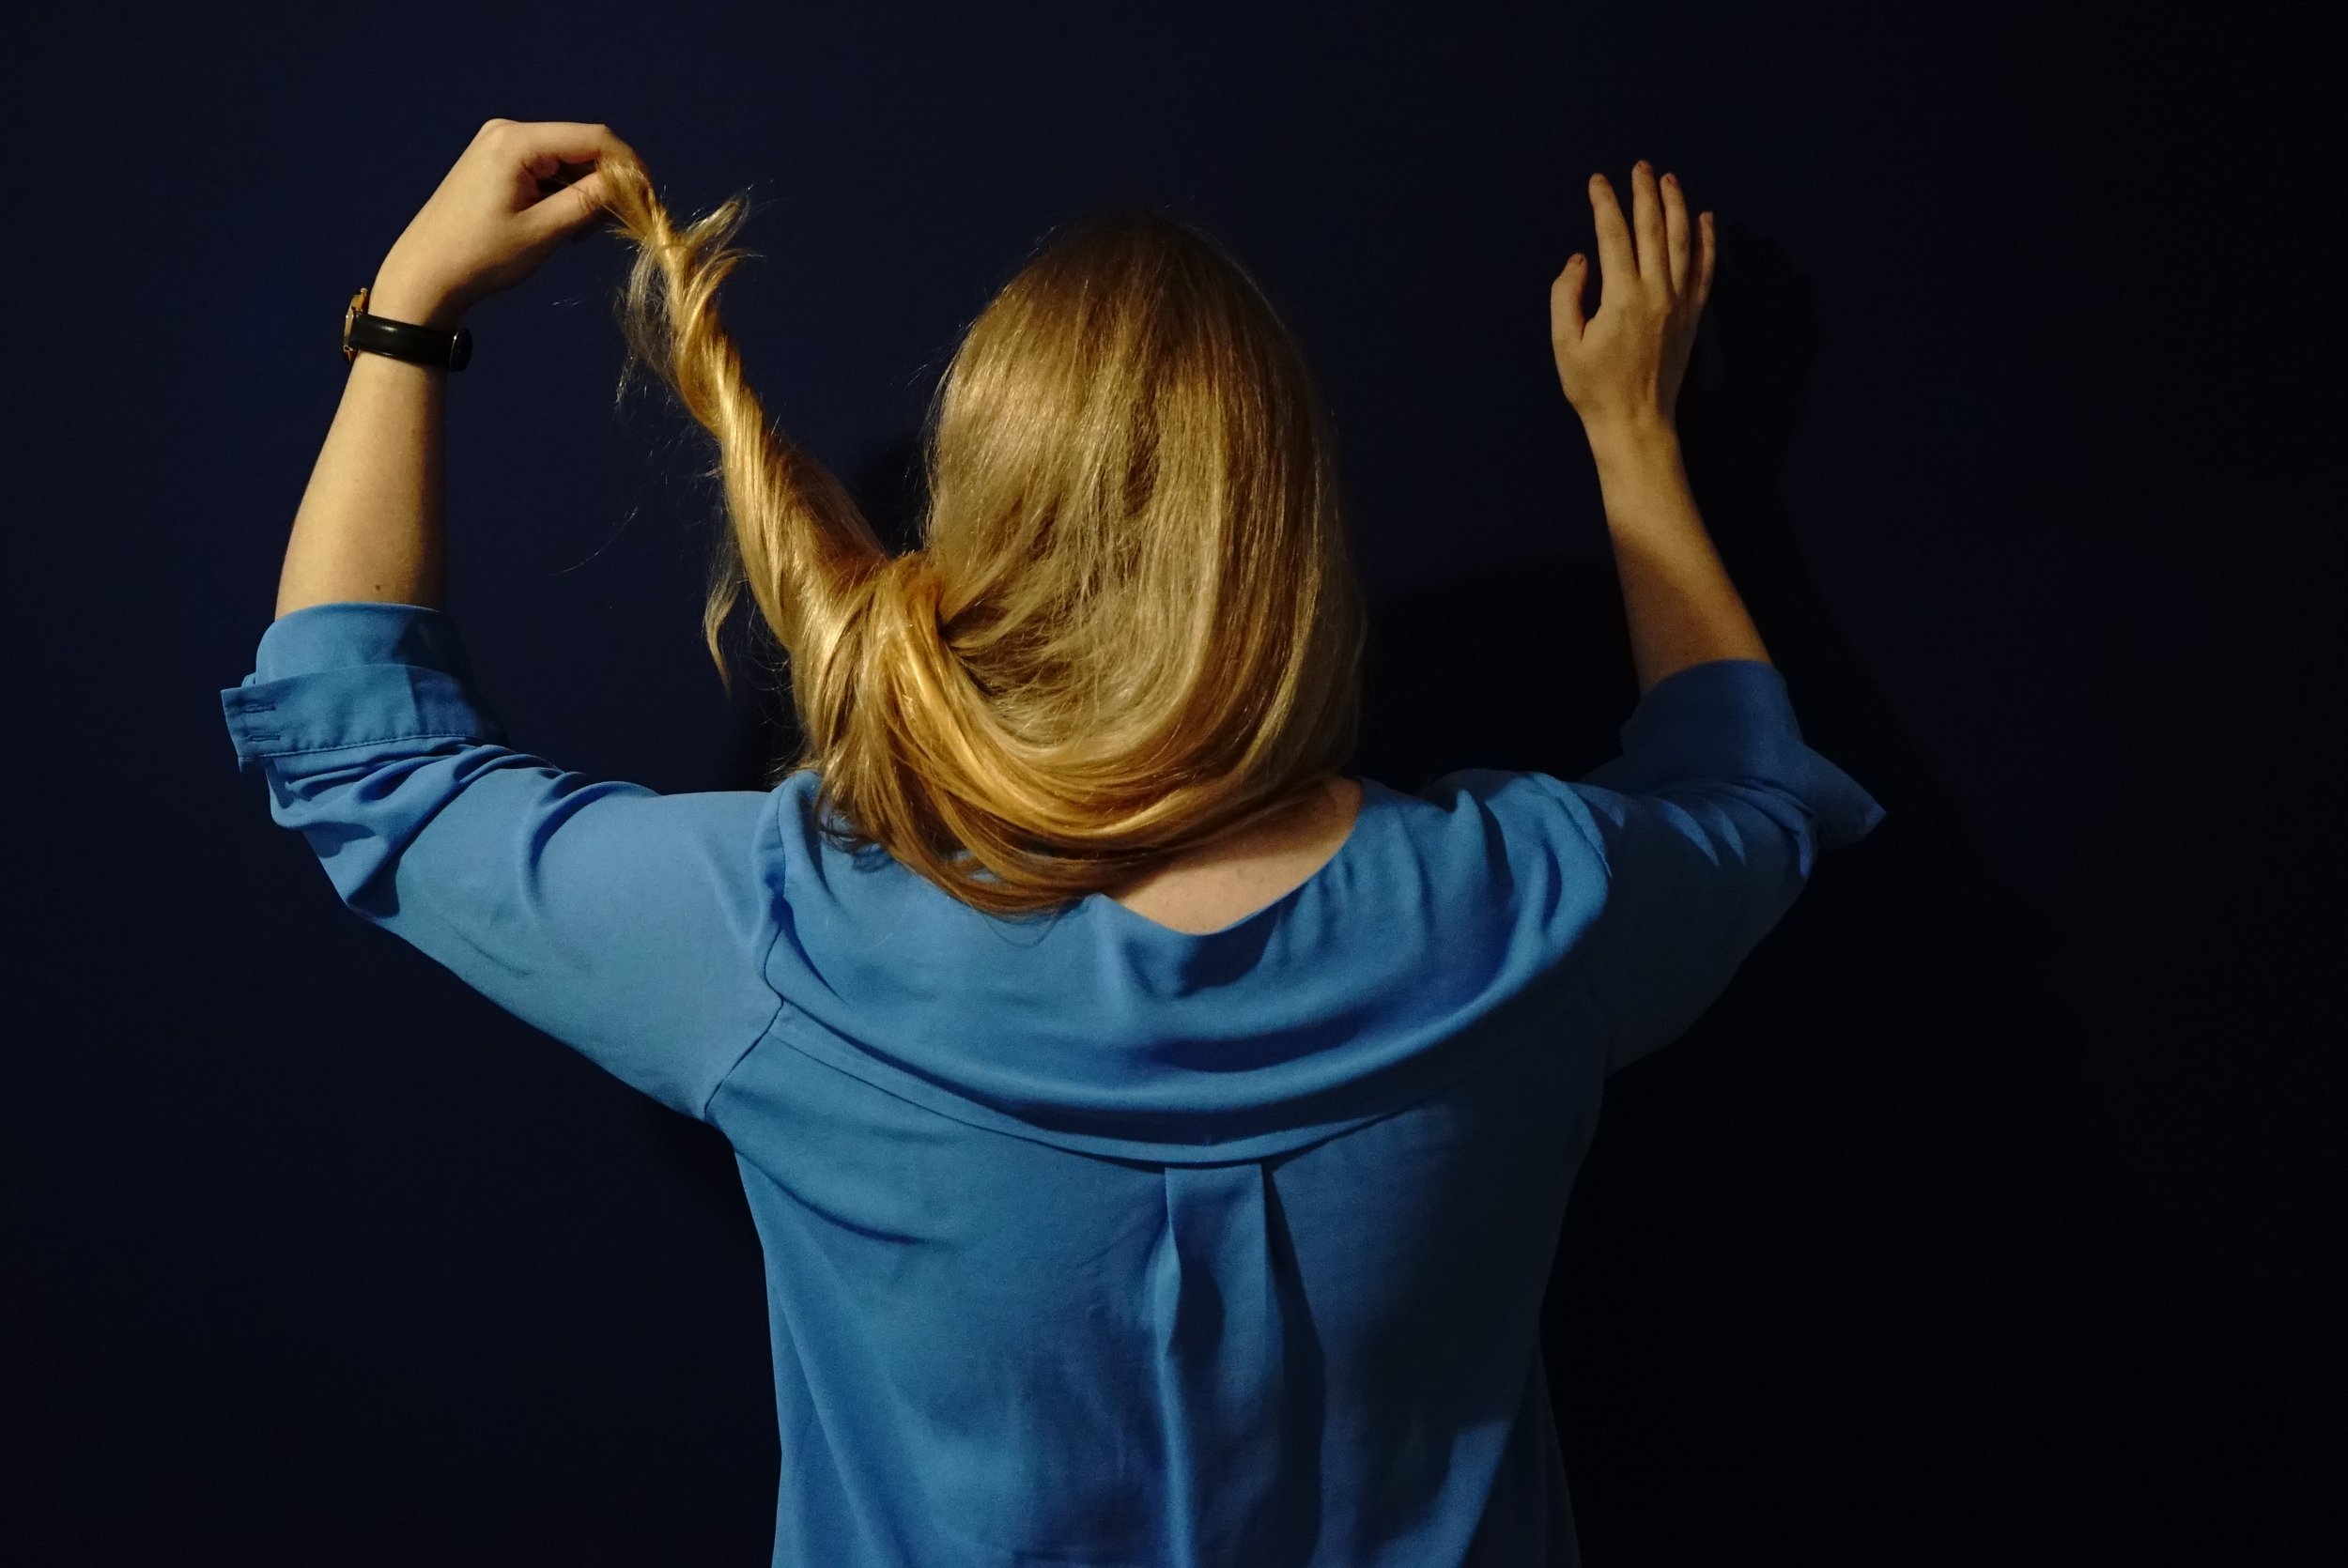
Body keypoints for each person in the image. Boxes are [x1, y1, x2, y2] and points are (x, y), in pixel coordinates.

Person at [222, 119, 1885, 1568]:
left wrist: (408, 314)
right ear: (1297, 547)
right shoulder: (1533, 910)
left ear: (987, 527)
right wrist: (1634, 434)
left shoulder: (787, 932)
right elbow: (1747, 793)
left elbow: (373, 771)